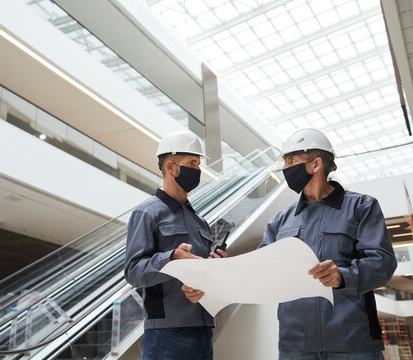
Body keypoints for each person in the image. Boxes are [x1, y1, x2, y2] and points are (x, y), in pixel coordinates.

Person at [260, 128, 397, 359]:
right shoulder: (280, 220)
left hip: (353, 342)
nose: (285, 168)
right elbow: (261, 270)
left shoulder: (361, 207)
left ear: (315, 164)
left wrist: (343, 276)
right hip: (295, 345)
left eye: (291, 160)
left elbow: (382, 262)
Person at [124, 130, 226, 360]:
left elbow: (202, 274)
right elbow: (133, 272)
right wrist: (171, 259)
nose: (198, 170)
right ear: (171, 167)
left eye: (199, 164)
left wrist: (217, 267)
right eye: (192, 163)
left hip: (203, 329)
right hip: (166, 332)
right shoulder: (147, 213)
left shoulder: (200, 221)